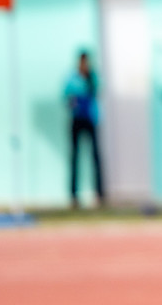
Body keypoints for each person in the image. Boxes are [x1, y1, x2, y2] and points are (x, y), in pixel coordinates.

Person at [63, 50, 106, 207]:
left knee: (95, 156)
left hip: (90, 118)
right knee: (75, 157)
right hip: (76, 119)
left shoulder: (93, 77)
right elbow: (65, 96)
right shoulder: (71, 78)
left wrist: (90, 80)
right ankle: (73, 195)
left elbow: (98, 90)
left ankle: (99, 194)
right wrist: (73, 103)